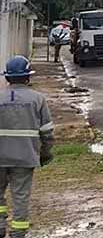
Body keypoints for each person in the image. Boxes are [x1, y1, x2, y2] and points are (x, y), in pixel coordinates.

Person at [0, 56, 54, 238]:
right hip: (25, 157)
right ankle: (18, 232)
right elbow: (46, 132)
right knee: (20, 196)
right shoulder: (38, 99)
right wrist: (45, 154)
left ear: (7, 78)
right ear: (27, 77)